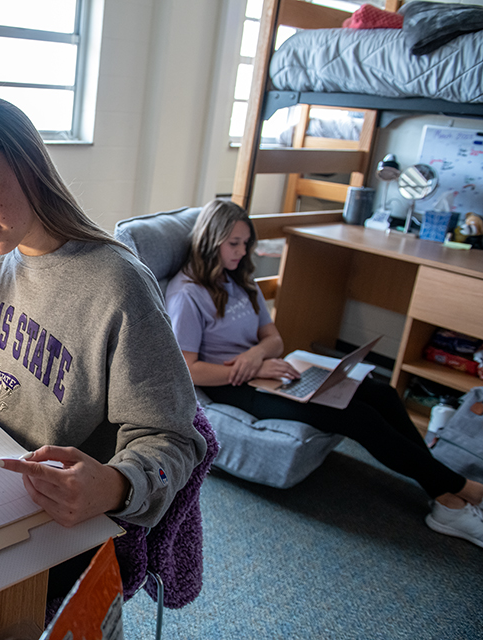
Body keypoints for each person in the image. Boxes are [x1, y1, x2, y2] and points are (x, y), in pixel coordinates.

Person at [0, 96, 207, 598]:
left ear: (28, 163)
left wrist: (116, 485)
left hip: (61, 524)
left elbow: (176, 442)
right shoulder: (0, 257)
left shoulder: (117, 285)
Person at [165, 198, 483, 548]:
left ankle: (442, 489)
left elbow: (273, 339)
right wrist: (253, 366)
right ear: (211, 241)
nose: (242, 251)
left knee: (382, 392)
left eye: (246, 243)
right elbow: (190, 371)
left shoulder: (240, 280)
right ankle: (458, 490)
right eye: (234, 244)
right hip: (232, 385)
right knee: (358, 416)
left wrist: (256, 356)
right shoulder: (187, 295)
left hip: (268, 371)